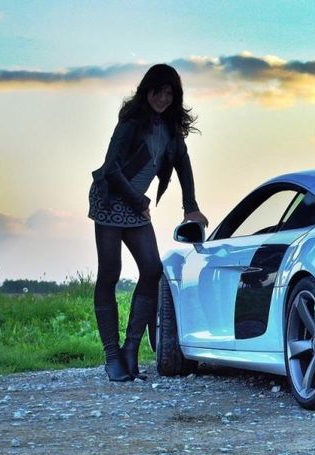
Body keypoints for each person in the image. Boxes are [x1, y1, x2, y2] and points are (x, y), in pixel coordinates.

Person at [87, 64, 208, 382]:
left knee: (152, 270)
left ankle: (131, 350)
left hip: (134, 205)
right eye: (158, 91)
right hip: (110, 199)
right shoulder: (131, 123)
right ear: (147, 90)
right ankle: (112, 356)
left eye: (170, 93)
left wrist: (191, 207)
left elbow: (182, 162)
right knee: (110, 272)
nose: (163, 99)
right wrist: (138, 201)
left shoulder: (170, 129)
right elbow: (112, 168)